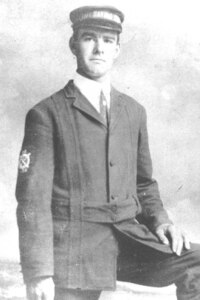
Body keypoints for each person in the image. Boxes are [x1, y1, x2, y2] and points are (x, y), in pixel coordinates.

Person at [16, 5, 200, 300]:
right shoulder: (46, 113)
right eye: (89, 38)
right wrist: (38, 273)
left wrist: (163, 222)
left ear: (117, 49)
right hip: (76, 251)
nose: (99, 48)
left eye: (108, 40)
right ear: (73, 44)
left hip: (129, 241)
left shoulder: (133, 111)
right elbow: (32, 202)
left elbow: (144, 184)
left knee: (197, 261)